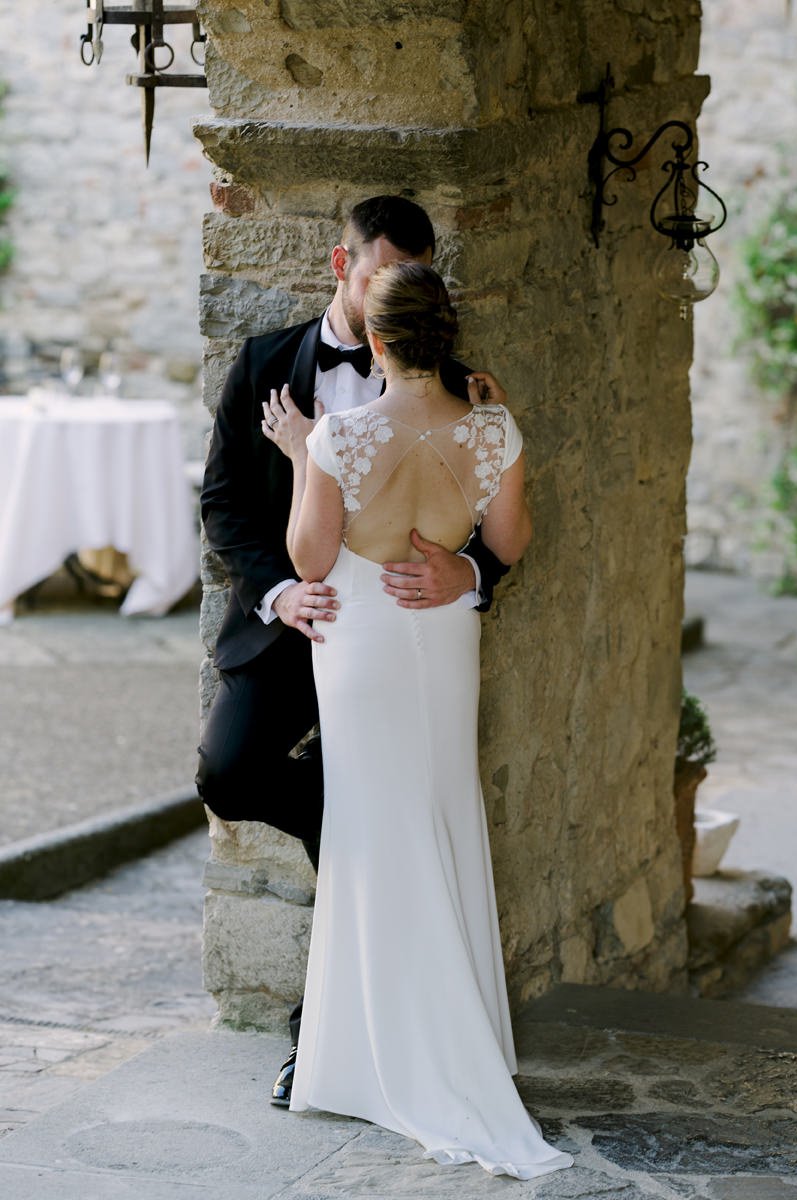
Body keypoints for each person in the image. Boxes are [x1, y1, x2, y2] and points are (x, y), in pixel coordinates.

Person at [261, 261, 574, 1180]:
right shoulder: (494, 426)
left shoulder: (340, 437)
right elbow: (508, 545)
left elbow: (311, 558)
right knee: (441, 814)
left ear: (381, 340)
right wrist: (466, 554)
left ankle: (372, 1054)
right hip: (443, 642)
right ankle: (458, 1039)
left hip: (360, 646)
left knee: (372, 831)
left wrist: (299, 458)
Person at [196, 196, 510, 1105]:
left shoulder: (447, 380)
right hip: (297, 626)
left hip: (395, 634)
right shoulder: (263, 363)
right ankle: (353, 824)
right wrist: (279, 592)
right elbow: (224, 502)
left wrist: (474, 576)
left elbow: (497, 507)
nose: (394, 295)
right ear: (342, 267)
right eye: (382, 275)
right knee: (230, 772)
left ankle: (320, 1041)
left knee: (376, 805)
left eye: (413, 280)